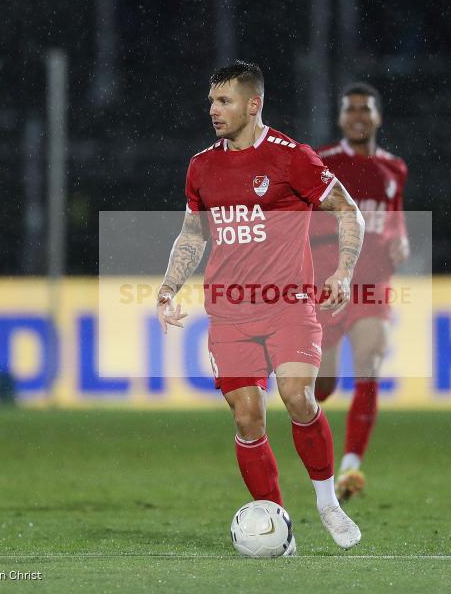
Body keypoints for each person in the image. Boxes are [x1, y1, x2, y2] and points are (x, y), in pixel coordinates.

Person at [155, 61, 365, 552]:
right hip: (229, 312)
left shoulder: (293, 159)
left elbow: (348, 211)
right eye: (211, 101)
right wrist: (167, 289)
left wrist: (343, 272)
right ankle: (279, 526)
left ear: (254, 104)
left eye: (224, 101)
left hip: (289, 305)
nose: (214, 110)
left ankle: (326, 503)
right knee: (247, 416)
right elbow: (191, 234)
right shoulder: (202, 166)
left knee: (297, 397)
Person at [310, 82, 409, 503]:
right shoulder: (321, 162)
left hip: (372, 285)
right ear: (340, 118)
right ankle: (313, 440)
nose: (357, 116)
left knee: (369, 363)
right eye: (350, 109)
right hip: (329, 283)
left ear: (377, 117)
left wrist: (400, 241)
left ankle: (350, 467)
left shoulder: (395, 170)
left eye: (365, 109)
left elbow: (394, 219)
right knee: (322, 388)